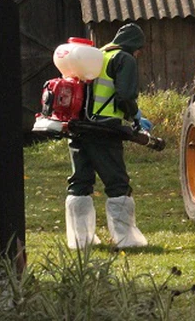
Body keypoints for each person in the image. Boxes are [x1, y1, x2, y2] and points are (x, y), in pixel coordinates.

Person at [65, 23, 149, 249]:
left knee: (80, 183)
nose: (139, 53)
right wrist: (135, 117)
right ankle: (126, 238)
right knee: (117, 183)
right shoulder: (124, 59)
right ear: (134, 45)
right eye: (139, 49)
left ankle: (80, 239)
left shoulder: (95, 55)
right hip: (104, 130)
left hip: (78, 127)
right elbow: (125, 95)